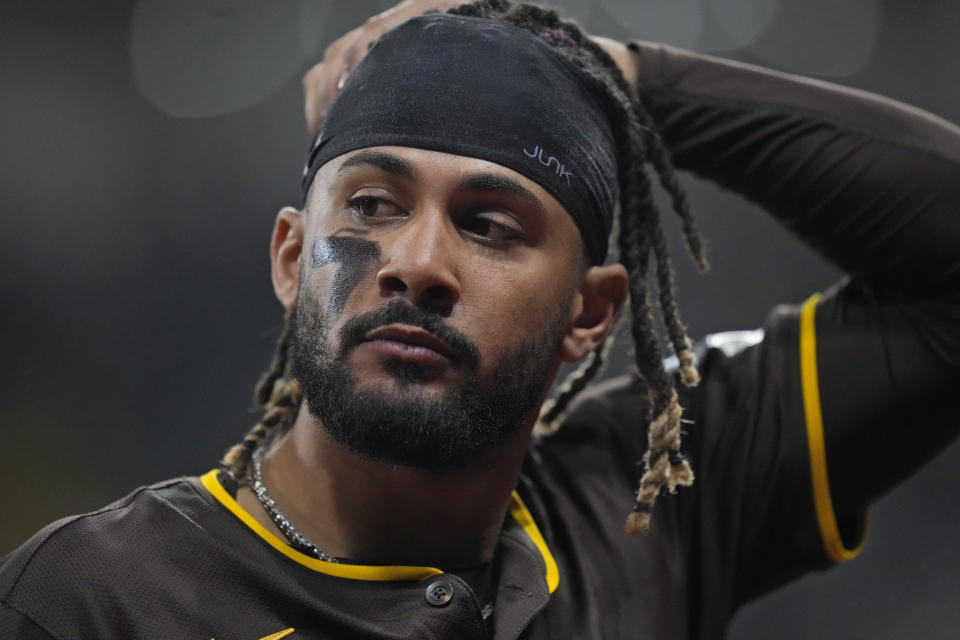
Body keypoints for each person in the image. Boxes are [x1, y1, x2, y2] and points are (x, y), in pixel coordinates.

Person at [1, 1, 957, 638]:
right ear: (293, 259)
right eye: (372, 206)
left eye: (490, 225)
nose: (416, 265)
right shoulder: (94, 601)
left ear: (591, 313)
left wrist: (622, 75)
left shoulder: (641, 510)